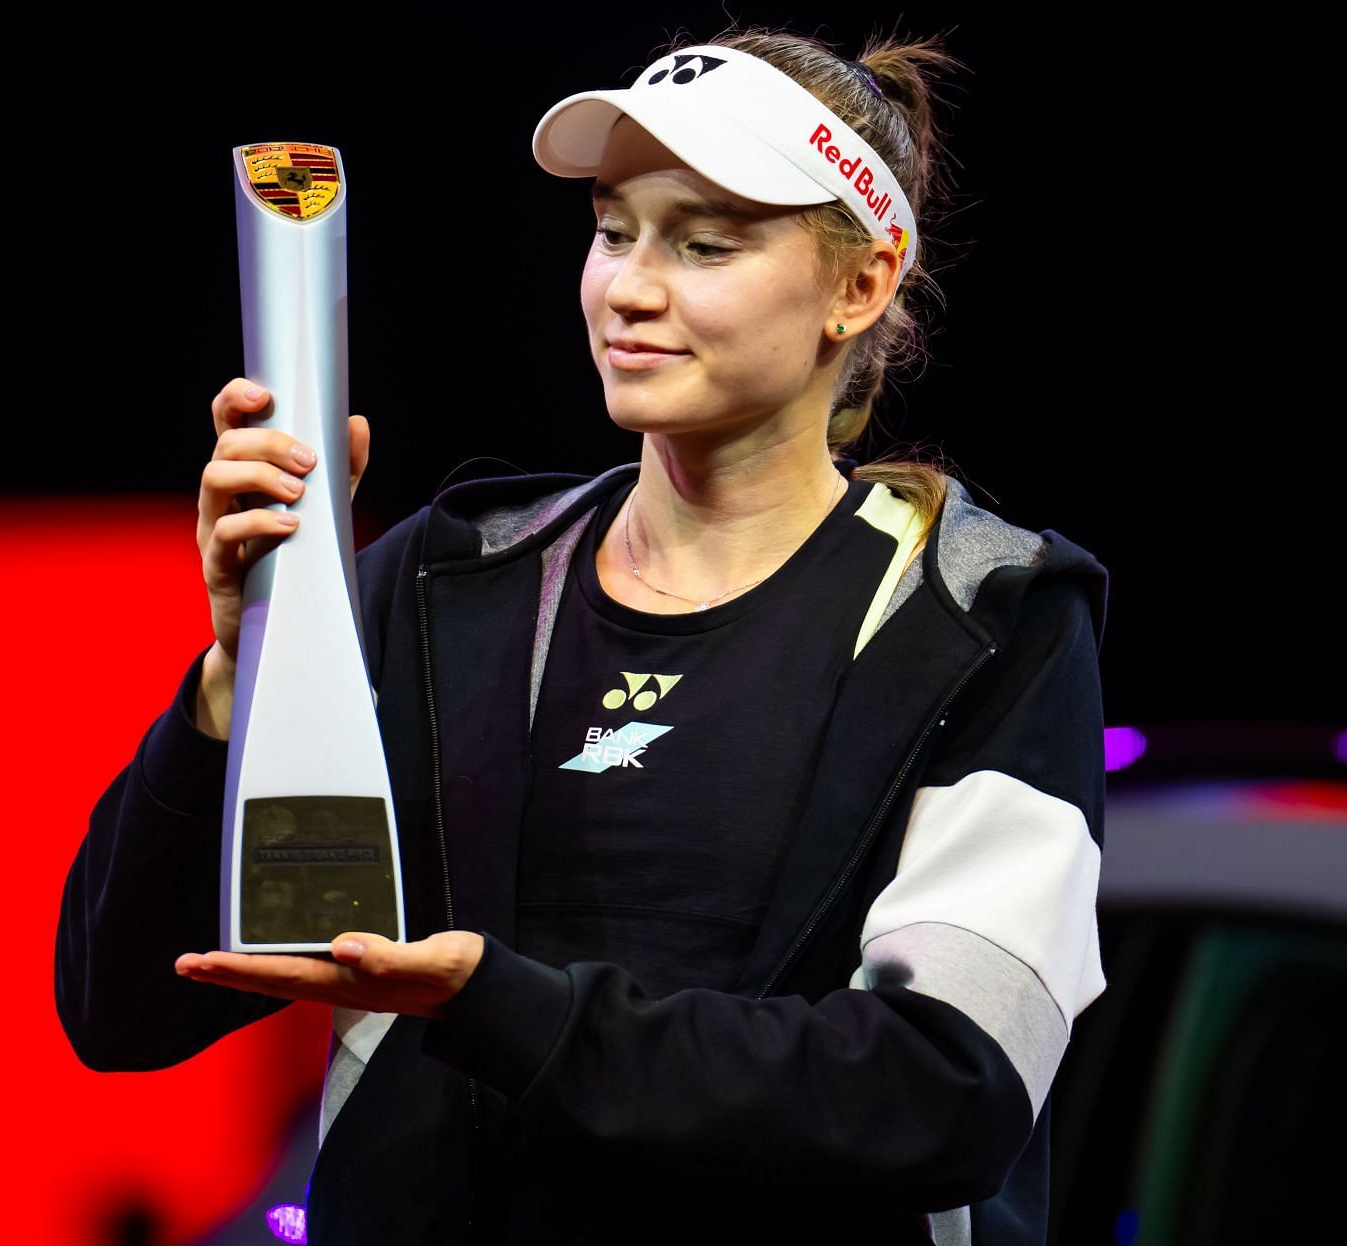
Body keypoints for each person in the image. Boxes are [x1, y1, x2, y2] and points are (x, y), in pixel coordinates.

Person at [56, 25, 1112, 1246]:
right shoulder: (457, 580)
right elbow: (120, 1006)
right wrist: (245, 678)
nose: (632, 287)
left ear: (860, 285)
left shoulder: (983, 617)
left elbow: (943, 1091)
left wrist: (500, 1007)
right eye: (614, 231)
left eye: (704, 243)